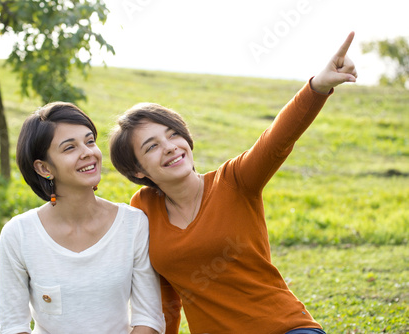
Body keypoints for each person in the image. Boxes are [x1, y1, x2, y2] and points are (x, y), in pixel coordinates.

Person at [109, 32, 358, 334]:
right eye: (152, 146)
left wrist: (318, 85)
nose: (170, 146)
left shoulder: (235, 181)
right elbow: (164, 296)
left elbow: (277, 140)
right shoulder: (144, 208)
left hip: (286, 328)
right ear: (137, 170)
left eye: (173, 134)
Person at [0, 102, 165, 334]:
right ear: (44, 168)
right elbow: (12, 326)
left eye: (89, 141)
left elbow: (149, 318)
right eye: (69, 148)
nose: (88, 153)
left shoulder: (133, 224)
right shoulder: (19, 234)